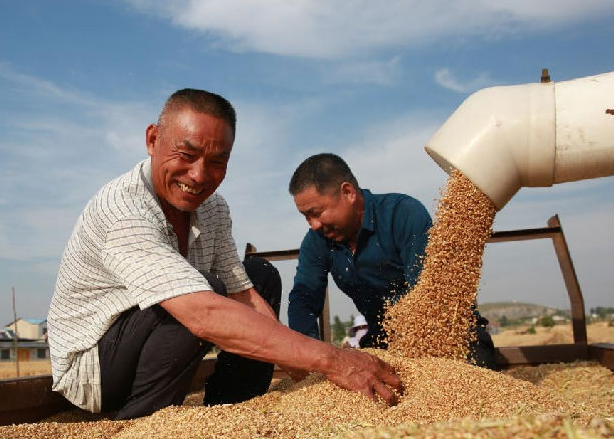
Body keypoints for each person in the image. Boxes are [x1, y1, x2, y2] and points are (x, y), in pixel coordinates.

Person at [47, 89, 402, 419]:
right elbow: (201, 311)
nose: (199, 175)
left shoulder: (213, 208)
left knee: (260, 275)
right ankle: (142, 420)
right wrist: (333, 360)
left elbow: (243, 293)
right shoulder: (123, 210)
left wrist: (305, 370)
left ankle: (232, 410)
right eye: (186, 155)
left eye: (217, 161)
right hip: (94, 370)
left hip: (158, 338)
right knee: (201, 291)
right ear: (153, 140)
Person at [287, 152, 496, 368]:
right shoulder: (317, 241)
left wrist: (416, 351)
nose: (314, 225)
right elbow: (303, 300)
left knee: (460, 378)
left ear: (348, 193)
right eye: (306, 217)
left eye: (316, 213)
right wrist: (308, 357)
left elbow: (429, 295)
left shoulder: (402, 214)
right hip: (384, 340)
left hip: (450, 333)